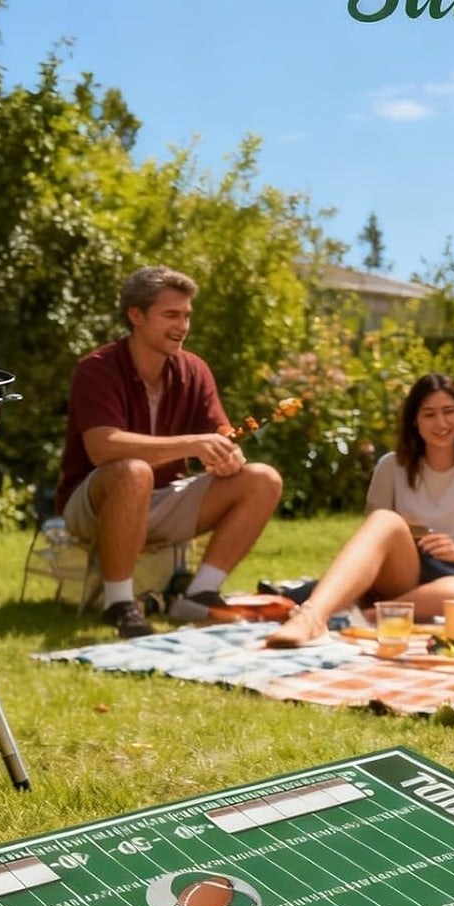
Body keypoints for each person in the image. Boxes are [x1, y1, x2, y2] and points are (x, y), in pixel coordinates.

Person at [55, 265, 283, 639]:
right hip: (94, 503)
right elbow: (102, 448)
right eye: (171, 315)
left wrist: (228, 451)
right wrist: (193, 444)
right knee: (133, 471)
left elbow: (219, 429)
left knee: (263, 479)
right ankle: (119, 604)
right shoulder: (97, 369)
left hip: (161, 500)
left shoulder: (194, 370)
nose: (182, 326)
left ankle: (198, 594)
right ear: (136, 315)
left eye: (187, 316)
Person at [265, 373, 454, 648]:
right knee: (385, 519)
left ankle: (358, 615)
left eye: (449, 412)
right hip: (403, 568)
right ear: (414, 420)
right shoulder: (391, 466)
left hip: (452, 578)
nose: (441, 423)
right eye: (429, 414)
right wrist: (412, 532)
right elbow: (374, 540)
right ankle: (311, 617)